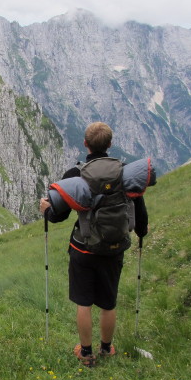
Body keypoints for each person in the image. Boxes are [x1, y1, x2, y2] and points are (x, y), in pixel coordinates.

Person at [39, 122, 148, 367]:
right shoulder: (125, 172)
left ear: (85, 144)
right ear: (110, 144)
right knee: (108, 302)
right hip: (114, 248)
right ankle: (107, 348)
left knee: (84, 302)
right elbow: (138, 208)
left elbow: (59, 215)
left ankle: (86, 353)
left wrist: (47, 210)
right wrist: (141, 231)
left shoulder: (75, 175)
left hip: (83, 248)